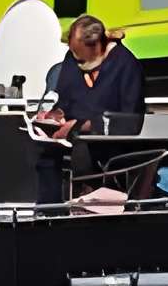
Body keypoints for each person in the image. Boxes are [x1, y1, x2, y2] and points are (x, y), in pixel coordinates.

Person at [33, 16, 146, 203]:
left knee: (81, 155)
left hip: (108, 144)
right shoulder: (72, 59)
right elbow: (65, 101)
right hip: (71, 138)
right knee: (43, 153)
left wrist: (82, 126)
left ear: (97, 47)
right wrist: (55, 116)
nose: (76, 62)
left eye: (81, 58)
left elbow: (130, 121)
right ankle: (47, 213)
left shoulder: (126, 66)